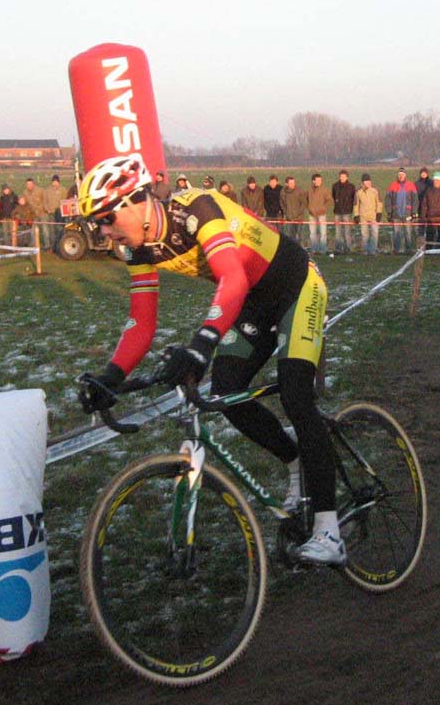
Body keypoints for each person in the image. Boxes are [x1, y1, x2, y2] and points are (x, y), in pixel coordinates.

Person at [75, 156, 344, 565]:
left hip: (297, 286)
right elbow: (142, 322)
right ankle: (296, 463)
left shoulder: (197, 210)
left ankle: (330, 532)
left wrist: (201, 344)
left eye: (107, 218)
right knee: (225, 392)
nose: (104, 231)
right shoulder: (137, 250)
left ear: (136, 201)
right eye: (98, 224)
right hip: (253, 303)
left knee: (295, 393)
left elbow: (232, 278)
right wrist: (112, 376)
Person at [385, 168, 419, 254]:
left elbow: (415, 200)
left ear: (405, 175)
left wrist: (414, 212)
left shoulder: (411, 185)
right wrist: (389, 212)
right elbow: (388, 200)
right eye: (399, 175)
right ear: (397, 175)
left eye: (402, 175)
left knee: (408, 232)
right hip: (396, 214)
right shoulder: (392, 185)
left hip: (407, 213)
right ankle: (397, 250)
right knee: (396, 233)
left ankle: (408, 250)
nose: (401, 176)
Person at [353, 173, 381, 255]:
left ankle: (373, 250)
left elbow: (379, 202)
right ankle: (365, 250)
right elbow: (356, 204)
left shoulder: (375, 191)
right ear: (362, 182)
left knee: (375, 233)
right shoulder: (358, 192)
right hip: (363, 216)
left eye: (369, 181)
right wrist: (356, 215)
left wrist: (379, 213)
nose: (368, 183)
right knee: (364, 234)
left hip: (373, 216)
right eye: (366, 181)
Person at [331, 170, 356, 253]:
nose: (342, 178)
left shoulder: (351, 186)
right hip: (337, 212)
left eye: (344, 176)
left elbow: (353, 199)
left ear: (347, 177)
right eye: (341, 176)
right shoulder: (335, 186)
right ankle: (338, 249)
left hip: (347, 212)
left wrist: (350, 208)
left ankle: (347, 249)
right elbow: (333, 196)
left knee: (347, 231)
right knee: (337, 232)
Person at [306, 173, 331, 254]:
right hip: (311, 214)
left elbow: (329, 201)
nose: (320, 181)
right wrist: (309, 208)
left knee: (323, 233)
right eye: (318, 180)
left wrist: (323, 209)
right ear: (313, 181)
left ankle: (323, 250)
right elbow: (305, 200)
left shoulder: (325, 190)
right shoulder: (309, 190)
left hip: (322, 214)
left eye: (320, 180)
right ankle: (314, 250)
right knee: (312, 233)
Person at [280, 175, 307, 247]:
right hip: (289, 218)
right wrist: (286, 213)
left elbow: (304, 203)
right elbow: (282, 204)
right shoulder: (283, 192)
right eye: (291, 183)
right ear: (286, 184)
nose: (293, 184)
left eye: (293, 183)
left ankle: (301, 249)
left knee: (299, 235)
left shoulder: (300, 191)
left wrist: (298, 214)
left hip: (299, 218)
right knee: (290, 236)